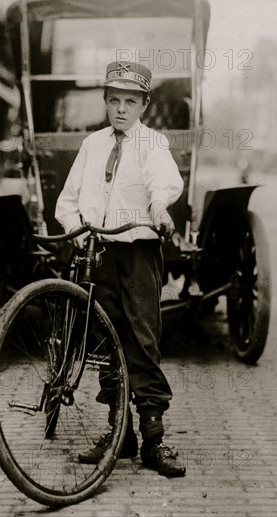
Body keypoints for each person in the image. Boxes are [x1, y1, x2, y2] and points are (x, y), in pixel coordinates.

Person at [55, 61, 186, 477]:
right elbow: (67, 200)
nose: (122, 109)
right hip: (100, 255)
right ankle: (119, 434)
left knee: (142, 340)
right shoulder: (92, 145)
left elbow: (163, 183)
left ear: (144, 104)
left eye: (131, 101)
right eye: (114, 100)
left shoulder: (153, 143)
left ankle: (153, 439)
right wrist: (78, 232)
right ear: (106, 101)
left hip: (139, 253)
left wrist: (159, 208)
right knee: (106, 343)